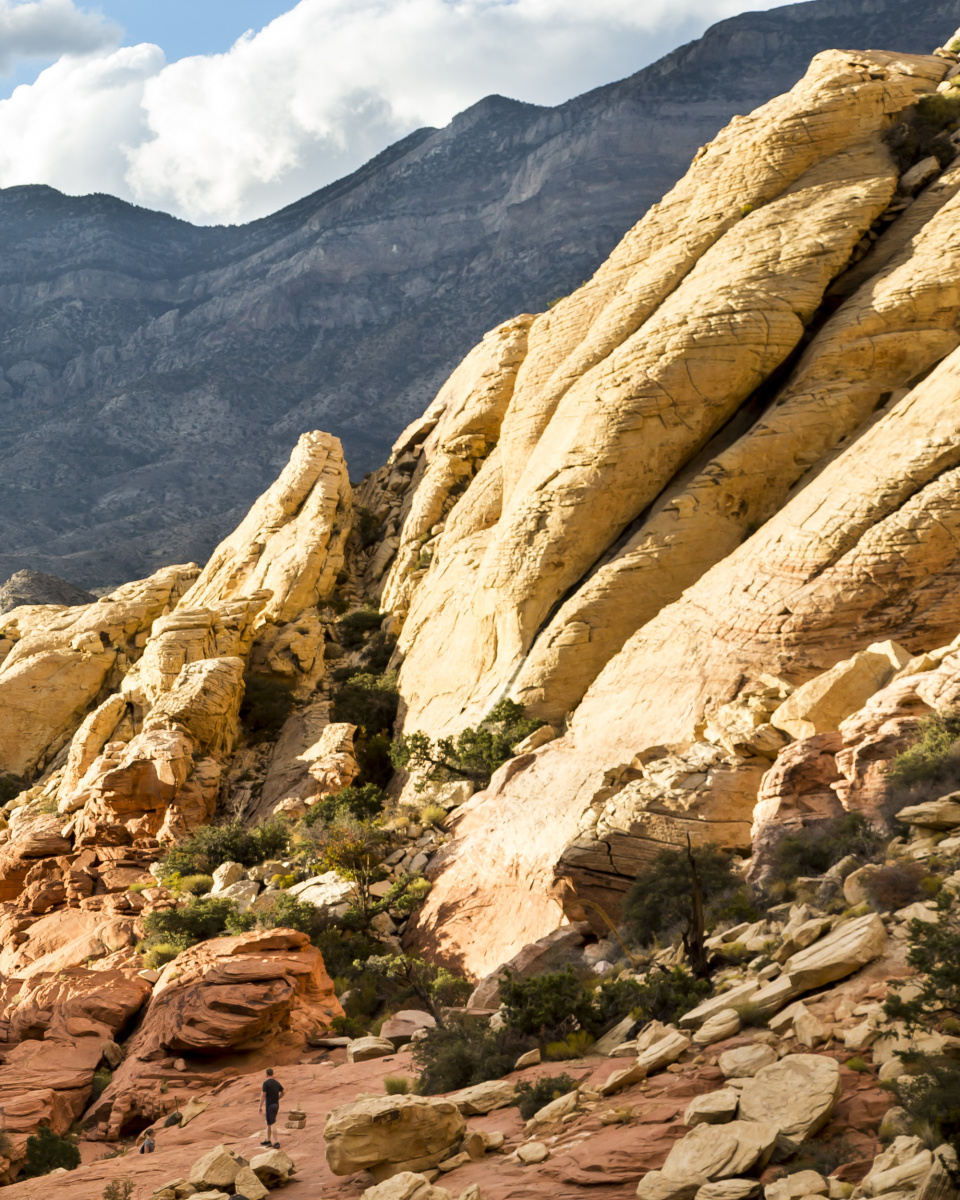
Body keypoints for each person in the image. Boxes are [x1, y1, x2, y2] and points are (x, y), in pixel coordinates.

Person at [258, 1068, 284, 1148]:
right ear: (272, 1073)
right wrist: (278, 1098)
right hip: (276, 1105)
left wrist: (260, 1106)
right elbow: (283, 1092)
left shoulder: (266, 1083)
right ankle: (268, 1140)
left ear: (266, 1074)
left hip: (269, 1106)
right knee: (268, 1123)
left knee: (272, 1123)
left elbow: (263, 1095)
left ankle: (276, 1142)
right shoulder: (276, 1083)